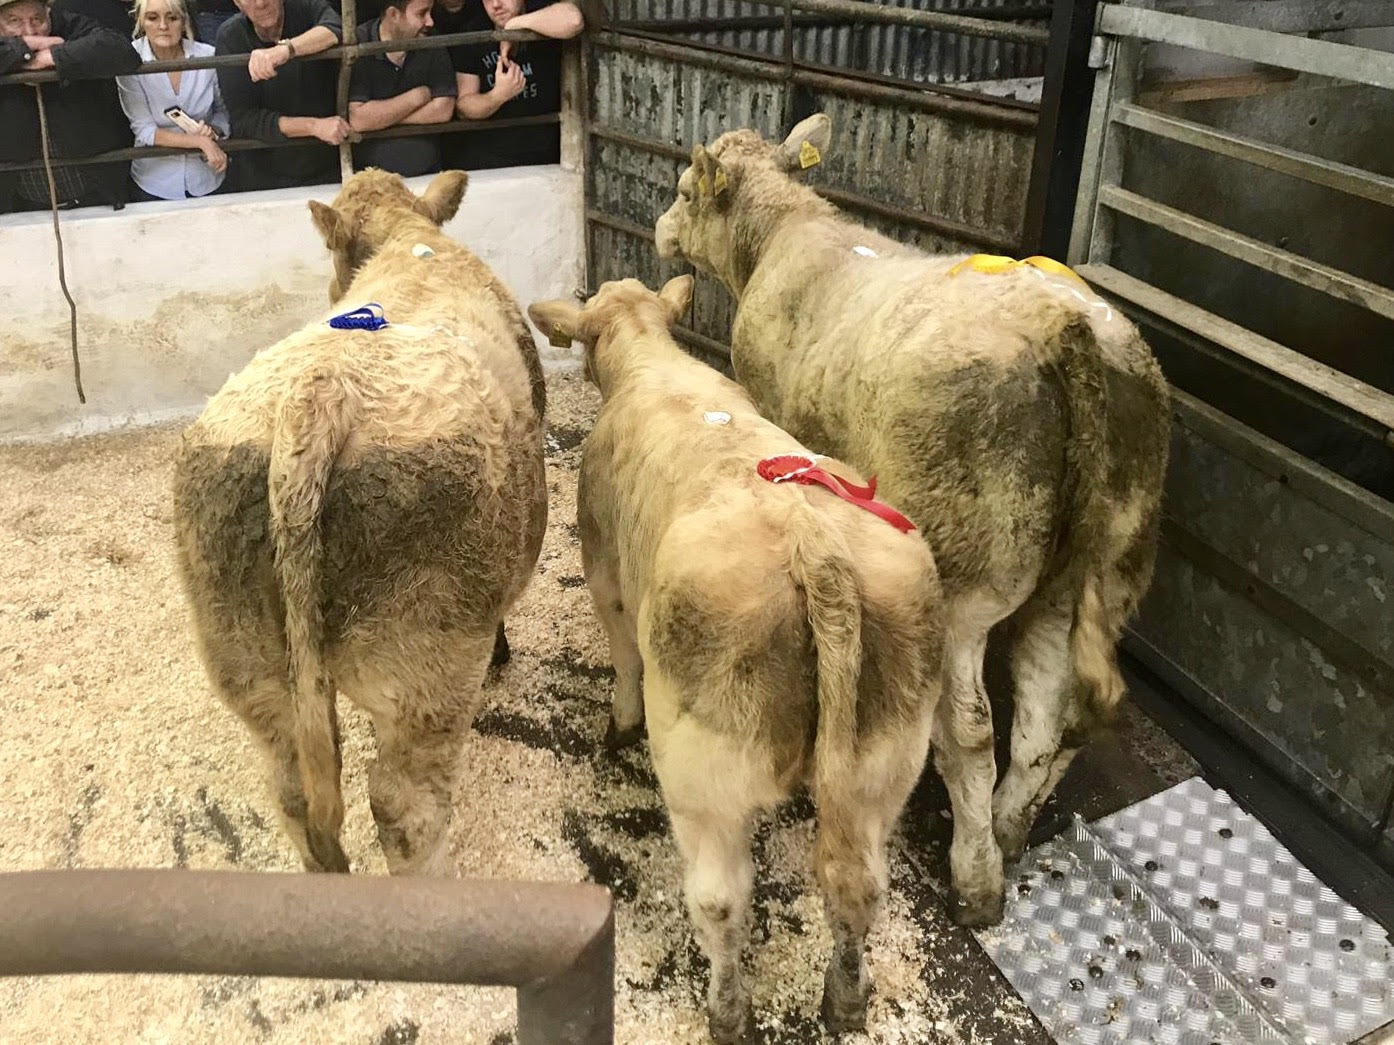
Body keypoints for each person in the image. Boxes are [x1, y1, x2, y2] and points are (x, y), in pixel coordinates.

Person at [0, 0, 141, 212]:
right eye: (15, 21)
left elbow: (120, 50)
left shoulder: (69, 25)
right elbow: (26, 44)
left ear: (48, 13)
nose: (29, 31)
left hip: (94, 194)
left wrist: (54, 56)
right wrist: (24, 49)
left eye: (37, 19)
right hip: (20, 201)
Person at [214, 0, 347, 191]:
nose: (260, 3)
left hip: (325, 162)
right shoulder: (230, 36)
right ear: (237, 3)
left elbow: (337, 28)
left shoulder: (306, 8)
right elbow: (244, 118)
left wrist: (287, 49)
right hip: (264, 170)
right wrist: (313, 126)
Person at [445, 0, 580, 170]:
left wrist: (514, 25)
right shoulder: (473, 31)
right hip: (491, 156)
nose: (495, 4)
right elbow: (464, 107)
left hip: (547, 153)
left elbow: (574, 20)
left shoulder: (540, 14)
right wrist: (498, 95)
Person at [117, 0, 230, 200]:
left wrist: (214, 131)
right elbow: (145, 130)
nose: (163, 26)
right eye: (153, 18)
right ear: (141, 21)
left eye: (172, 17)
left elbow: (223, 111)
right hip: (155, 181)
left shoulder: (208, 55)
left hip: (207, 176)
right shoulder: (128, 60)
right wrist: (201, 142)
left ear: (184, 20)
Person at [348, 0, 454, 177]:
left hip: (428, 175)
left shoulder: (431, 40)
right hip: (371, 181)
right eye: (422, 13)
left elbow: (444, 109)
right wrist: (416, 97)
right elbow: (359, 119)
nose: (430, 22)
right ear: (393, 15)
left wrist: (381, 118)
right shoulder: (359, 43)